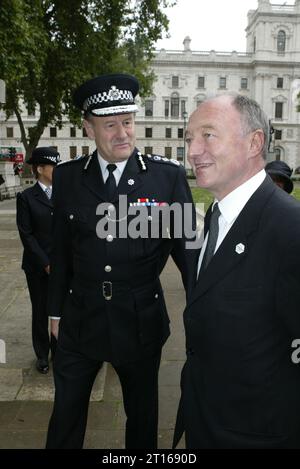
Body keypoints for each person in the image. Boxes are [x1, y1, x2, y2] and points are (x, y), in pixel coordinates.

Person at [46, 73, 195, 449]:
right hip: (80, 319)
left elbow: (188, 255)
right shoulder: (68, 178)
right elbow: (61, 251)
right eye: (110, 124)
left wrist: (204, 314)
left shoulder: (166, 178)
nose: (122, 133)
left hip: (139, 320)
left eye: (127, 122)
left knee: (142, 419)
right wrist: (54, 313)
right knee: (65, 414)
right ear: (88, 127)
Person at [173, 93, 300, 449]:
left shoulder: (290, 228)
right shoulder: (217, 215)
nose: (193, 151)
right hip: (205, 420)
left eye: (208, 135)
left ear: (254, 142)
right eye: (188, 139)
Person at [16, 147, 60, 374]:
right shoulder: (26, 197)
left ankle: (58, 351)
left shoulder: (64, 194)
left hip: (62, 265)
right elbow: (27, 234)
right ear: (40, 169)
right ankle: (42, 355)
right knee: (41, 310)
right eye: (53, 166)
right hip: (37, 266)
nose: (57, 169)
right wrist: (45, 262)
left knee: (60, 309)